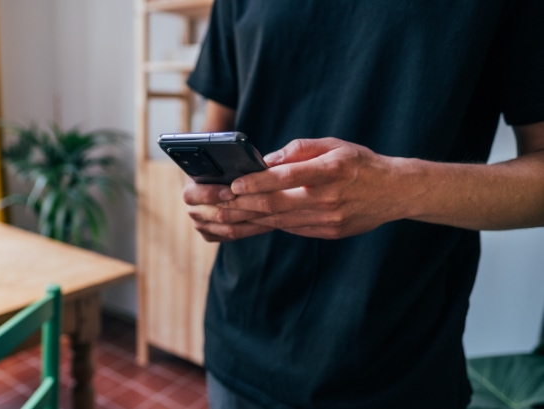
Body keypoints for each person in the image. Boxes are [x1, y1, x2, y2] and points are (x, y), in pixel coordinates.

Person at [181, 1, 544, 408]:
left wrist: (400, 188)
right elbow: (216, 131)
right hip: (239, 343)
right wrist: (209, 199)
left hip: (398, 368)